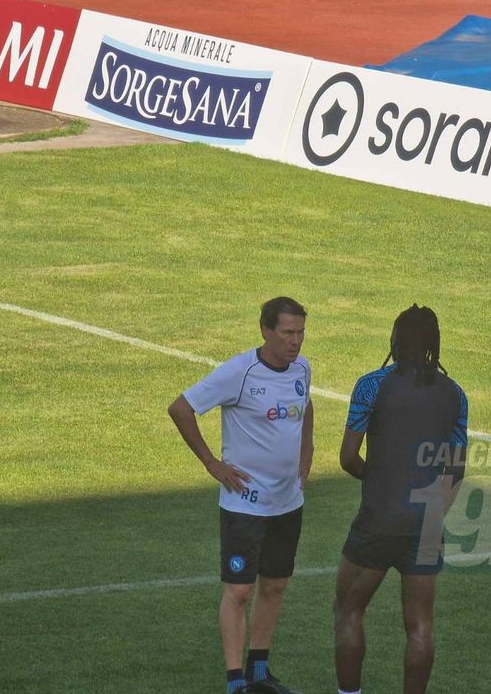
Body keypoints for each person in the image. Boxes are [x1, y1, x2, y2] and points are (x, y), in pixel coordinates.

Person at [168, 297, 314, 694]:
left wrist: (307, 455)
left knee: (276, 585)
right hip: (244, 504)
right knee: (239, 590)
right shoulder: (239, 371)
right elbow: (181, 408)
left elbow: (305, 406)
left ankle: (260, 671)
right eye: (287, 332)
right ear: (265, 330)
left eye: (300, 332)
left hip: (288, 502)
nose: (295, 341)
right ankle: (236, 683)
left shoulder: (302, 368)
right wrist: (212, 464)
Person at [333, 305, 468, 694]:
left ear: (394, 341)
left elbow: (347, 458)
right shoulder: (455, 394)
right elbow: (455, 470)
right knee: (420, 624)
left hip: (379, 517)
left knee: (349, 610)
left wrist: (375, 480)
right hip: (426, 522)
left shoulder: (372, 385)